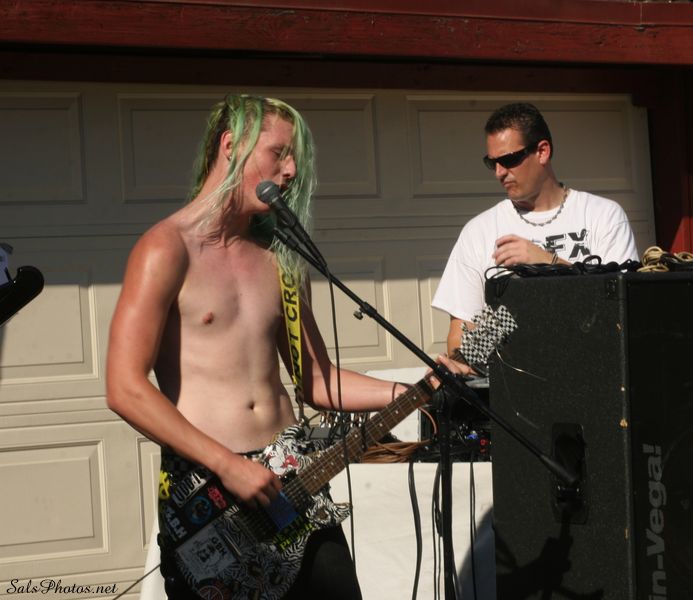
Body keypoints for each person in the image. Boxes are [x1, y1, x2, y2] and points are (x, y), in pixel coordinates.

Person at [106, 94, 461, 600]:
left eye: (295, 159)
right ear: (231, 145)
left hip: (293, 479)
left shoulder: (279, 259)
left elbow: (317, 380)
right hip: (208, 489)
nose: (291, 170)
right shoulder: (166, 248)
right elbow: (123, 387)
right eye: (278, 153)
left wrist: (415, 391)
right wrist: (227, 464)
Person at [432, 102, 639, 355]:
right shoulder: (479, 231)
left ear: (542, 151)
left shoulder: (603, 215)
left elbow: (621, 311)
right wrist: (463, 361)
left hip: (592, 369)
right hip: (516, 377)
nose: (499, 172)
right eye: (492, 162)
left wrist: (547, 262)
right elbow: (461, 339)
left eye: (509, 160)